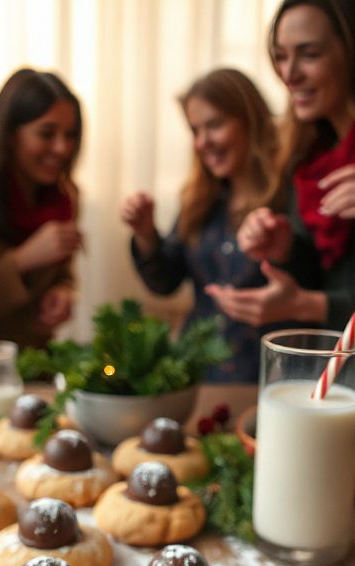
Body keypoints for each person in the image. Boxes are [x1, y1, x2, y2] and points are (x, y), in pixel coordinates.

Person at [208, 0, 355, 405]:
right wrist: (286, 248)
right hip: (344, 389)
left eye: (309, 54)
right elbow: (323, 275)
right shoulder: (311, 150)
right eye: (281, 57)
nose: (289, 73)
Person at [120, 68, 281, 382]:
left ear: (251, 120)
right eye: (195, 130)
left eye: (215, 125)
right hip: (198, 375)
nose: (202, 142)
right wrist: (145, 234)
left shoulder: (287, 200)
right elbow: (165, 281)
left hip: (268, 377)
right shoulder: (201, 200)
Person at [0, 69, 83, 351]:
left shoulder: (65, 198)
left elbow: (63, 273)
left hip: (38, 364)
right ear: (10, 134)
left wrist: (64, 291)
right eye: (47, 133)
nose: (62, 148)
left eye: (70, 135)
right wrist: (22, 260)